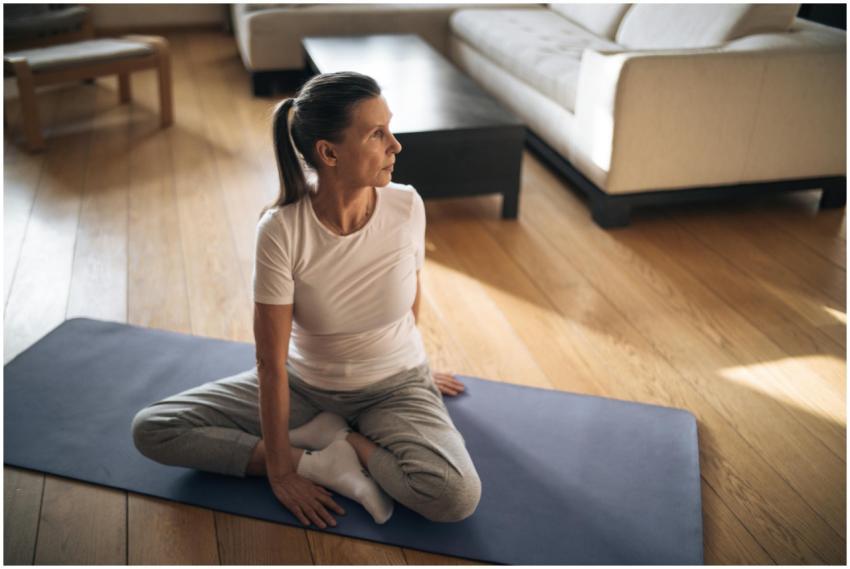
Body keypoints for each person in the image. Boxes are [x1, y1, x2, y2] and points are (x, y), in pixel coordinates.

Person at [131, 71, 482, 529]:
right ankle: (319, 460)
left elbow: (410, 294)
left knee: (454, 496)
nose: (396, 145)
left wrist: (413, 361)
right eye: (378, 134)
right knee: (155, 429)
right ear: (329, 152)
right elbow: (270, 364)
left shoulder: (406, 206)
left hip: (397, 384)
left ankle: (347, 444)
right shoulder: (281, 231)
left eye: (389, 128)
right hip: (305, 387)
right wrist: (281, 469)